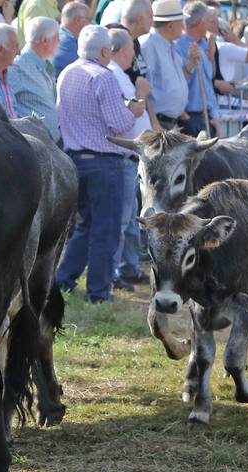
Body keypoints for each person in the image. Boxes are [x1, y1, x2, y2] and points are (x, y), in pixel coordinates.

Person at [54, 24, 142, 304]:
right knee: (105, 229)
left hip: (75, 159)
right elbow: (120, 124)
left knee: (87, 225)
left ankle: (64, 280)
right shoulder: (104, 77)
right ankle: (98, 292)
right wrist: (134, 110)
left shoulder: (67, 72)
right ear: (105, 51)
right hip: (105, 162)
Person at [107, 24, 148, 288]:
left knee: (131, 216)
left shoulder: (119, 74)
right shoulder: (112, 74)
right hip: (122, 156)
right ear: (123, 50)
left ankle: (129, 266)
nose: (134, 55)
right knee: (121, 219)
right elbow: (127, 113)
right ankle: (113, 273)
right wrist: (142, 94)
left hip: (131, 157)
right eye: (133, 49)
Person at [8, 15, 59, 140]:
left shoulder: (42, 64)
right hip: (34, 145)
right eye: (57, 38)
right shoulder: (18, 67)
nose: (59, 42)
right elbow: (5, 106)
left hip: (49, 144)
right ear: (45, 41)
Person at [139, 0, 186, 128]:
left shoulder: (172, 46)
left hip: (170, 123)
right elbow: (144, 90)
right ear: (170, 26)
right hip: (158, 124)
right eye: (181, 22)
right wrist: (154, 123)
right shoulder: (147, 46)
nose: (183, 26)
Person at [175, 1, 214, 136]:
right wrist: (183, 114)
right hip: (189, 117)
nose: (210, 26)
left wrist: (213, 115)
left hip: (205, 115)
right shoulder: (178, 46)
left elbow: (208, 83)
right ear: (200, 22)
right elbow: (176, 82)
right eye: (208, 21)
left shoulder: (204, 45)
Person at [54, 2, 91, 76]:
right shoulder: (69, 43)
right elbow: (90, 69)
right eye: (89, 19)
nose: (91, 23)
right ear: (77, 20)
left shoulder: (57, 34)